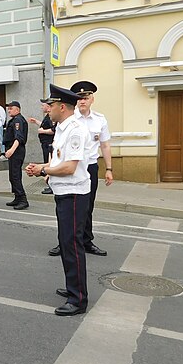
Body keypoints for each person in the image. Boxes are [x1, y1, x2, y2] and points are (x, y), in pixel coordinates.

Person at [26, 84, 90, 316]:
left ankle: (78, 299)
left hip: (73, 194)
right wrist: (42, 167)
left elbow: (70, 167)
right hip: (64, 193)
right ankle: (73, 288)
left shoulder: (74, 129)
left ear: (62, 106)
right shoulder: (63, 127)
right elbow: (58, 162)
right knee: (66, 244)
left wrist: (44, 172)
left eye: (50, 105)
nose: (47, 109)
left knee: (72, 245)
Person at [74, 81, 113, 256]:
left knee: (88, 205)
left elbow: (105, 145)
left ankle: (86, 241)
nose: (83, 101)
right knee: (71, 205)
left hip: (90, 168)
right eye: (80, 98)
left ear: (92, 99)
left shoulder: (99, 119)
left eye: (86, 97)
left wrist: (109, 169)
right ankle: (65, 241)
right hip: (72, 168)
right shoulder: (69, 118)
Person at [4, 101, 29, 210]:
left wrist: (11, 150)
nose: (9, 110)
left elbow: (19, 137)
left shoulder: (18, 120)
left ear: (17, 109)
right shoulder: (15, 120)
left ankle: (23, 199)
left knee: (15, 176)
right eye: (8, 109)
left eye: (11, 108)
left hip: (16, 150)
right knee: (13, 176)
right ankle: (17, 197)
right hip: (14, 150)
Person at [29, 101, 55, 195]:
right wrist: (36, 122)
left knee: (49, 164)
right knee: (47, 163)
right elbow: (45, 126)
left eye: (43, 106)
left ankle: (51, 185)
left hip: (49, 144)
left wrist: (43, 131)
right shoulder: (47, 116)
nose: (41, 107)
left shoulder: (51, 116)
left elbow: (53, 130)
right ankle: (50, 184)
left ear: (48, 107)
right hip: (45, 144)